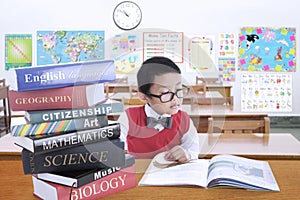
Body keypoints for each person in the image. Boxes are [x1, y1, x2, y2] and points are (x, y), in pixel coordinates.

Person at [117, 56, 199, 163]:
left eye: (179, 89)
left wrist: (186, 154)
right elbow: (116, 148)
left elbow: (193, 151)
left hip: (173, 177)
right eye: (165, 92)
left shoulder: (184, 120)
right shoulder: (128, 118)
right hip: (139, 176)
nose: (175, 98)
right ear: (144, 97)